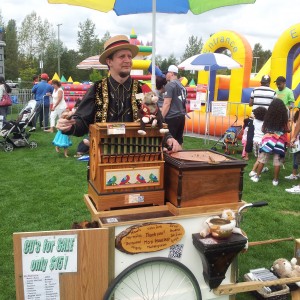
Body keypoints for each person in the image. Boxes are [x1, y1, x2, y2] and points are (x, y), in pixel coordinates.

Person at [56, 35, 180, 153]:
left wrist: (169, 137)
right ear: (109, 62)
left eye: (129, 56)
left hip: (138, 157)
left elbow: (156, 117)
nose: (128, 60)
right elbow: (82, 121)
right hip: (104, 159)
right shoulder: (97, 89)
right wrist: (69, 126)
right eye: (122, 56)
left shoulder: (142, 89)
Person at [250, 98, 290, 186]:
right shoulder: (284, 119)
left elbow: (263, 129)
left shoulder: (268, 117)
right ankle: (275, 180)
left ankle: (257, 176)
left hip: (268, 140)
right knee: (277, 160)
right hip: (280, 141)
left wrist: (270, 133)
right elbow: (288, 129)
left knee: (262, 158)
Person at [161, 65, 187, 146]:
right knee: (179, 142)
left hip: (172, 117)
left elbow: (167, 103)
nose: (166, 75)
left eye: (167, 73)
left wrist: (161, 118)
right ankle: (179, 158)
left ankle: (169, 158)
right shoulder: (182, 85)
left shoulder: (170, 85)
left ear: (171, 73)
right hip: (181, 116)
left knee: (169, 142)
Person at [248, 106, 268, 177]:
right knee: (260, 158)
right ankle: (253, 171)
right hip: (261, 142)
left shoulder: (255, 121)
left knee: (259, 157)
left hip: (255, 141)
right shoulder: (265, 123)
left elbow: (253, 116)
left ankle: (261, 168)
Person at [285, 107, 300, 181]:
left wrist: (293, 138)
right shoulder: (295, 122)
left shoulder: (297, 122)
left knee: (296, 157)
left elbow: (296, 130)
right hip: (297, 140)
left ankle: (294, 174)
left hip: (297, 142)